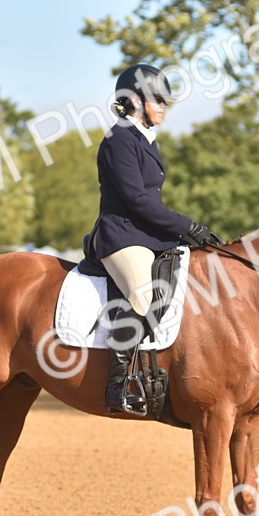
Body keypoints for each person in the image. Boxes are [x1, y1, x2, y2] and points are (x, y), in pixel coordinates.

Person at [83, 63, 221, 413]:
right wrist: (187, 226)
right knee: (144, 295)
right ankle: (117, 388)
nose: (164, 106)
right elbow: (138, 201)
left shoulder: (146, 140)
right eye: (157, 99)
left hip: (146, 234)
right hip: (121, 236)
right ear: (134, 101)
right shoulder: (118, 141)